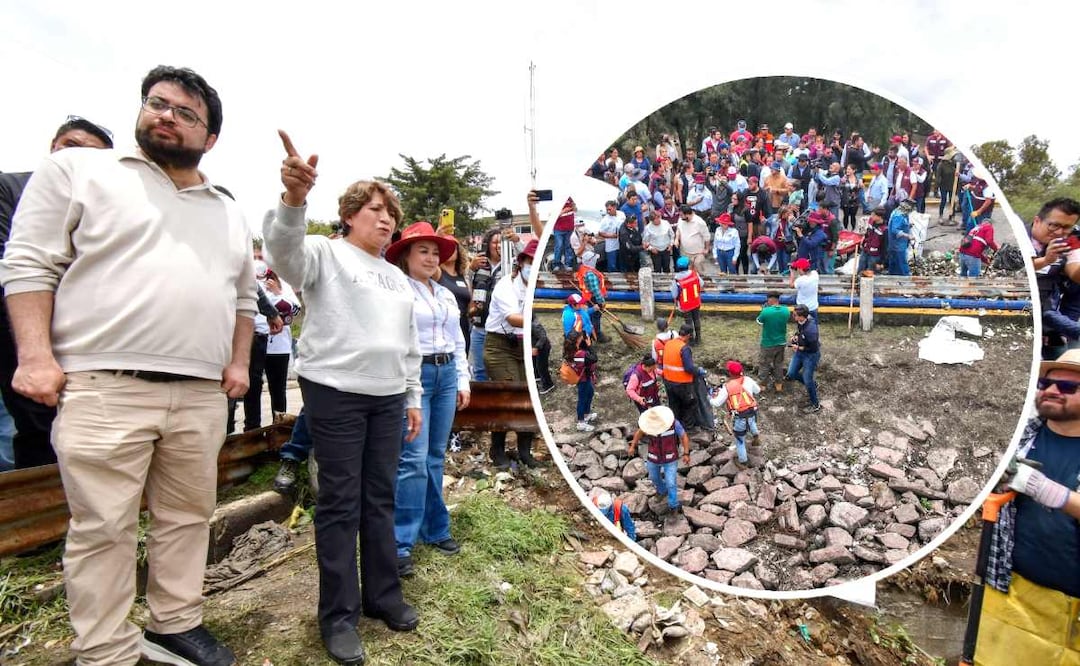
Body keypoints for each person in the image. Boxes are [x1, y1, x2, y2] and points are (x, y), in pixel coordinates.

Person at [0, 66, 249, 666]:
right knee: (103, 526)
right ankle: (106, 648)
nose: (167, 116)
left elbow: (243, 297)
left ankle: (175, 620)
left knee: (187, 516)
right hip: (106, 383)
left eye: (186, 113)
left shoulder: (225, 207)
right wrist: (35, 355)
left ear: (210, 137)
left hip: (199, 391)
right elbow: (29, 262)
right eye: (157, 104)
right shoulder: (82, 170)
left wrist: (239, 361)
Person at [267, 133, 426, 664]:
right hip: (335, 391)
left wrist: (412, 395)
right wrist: (293, 200)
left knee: (379, 496)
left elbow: (409, 342)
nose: (385, 219)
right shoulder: (325, 253)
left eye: (390, 213)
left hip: (387, 395)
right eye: (374, 210)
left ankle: (383, 595)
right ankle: (338, 615)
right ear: (350, 215)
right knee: (340, 502)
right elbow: (283, 254)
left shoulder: (396, 278)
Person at [0, 116, 115, 471]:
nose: (77, 158)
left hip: (81, 338)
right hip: (20, 334)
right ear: (54, 146)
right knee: (31, 425)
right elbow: (13, 264)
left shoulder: (104, 209)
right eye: (71, 147)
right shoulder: (12, 188)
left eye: (92, 155)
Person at [975, 350, 1080, 665]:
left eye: (1067, 387)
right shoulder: (1022, 435)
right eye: (1046, 383)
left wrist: (1043, 488)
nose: (1052, 391)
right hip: (1010, 594)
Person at [381, 222, 471, 581]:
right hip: (415, 373)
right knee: (413, 459)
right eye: (423, 251)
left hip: (445, 372)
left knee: (434, 456)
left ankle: (435, 528)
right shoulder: (397, 291)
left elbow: (458, 340)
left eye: (435, 252)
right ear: (406, 255)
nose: (431, 258)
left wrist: (462, 378)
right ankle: (400, 542)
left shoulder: (445, 295)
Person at [484, 237, 541, 468]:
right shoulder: (505, 286)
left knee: (528, 398)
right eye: (530, 262)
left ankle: (525, 451)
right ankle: (497, 450)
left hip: (522, 345)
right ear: (521, 263)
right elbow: (512, 318)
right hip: (499, 346)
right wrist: (535, 322)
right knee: (508, 398)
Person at [467, 226, 521, 380]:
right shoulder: (479, 264)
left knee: (502, 374)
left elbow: (526, 258)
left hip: (501, 330)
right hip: (479, 327)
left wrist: (516, 241)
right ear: (487, 245)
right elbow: (465, 285)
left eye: (501, 242)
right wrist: (470, 269)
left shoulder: (510, 265)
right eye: (494, 242)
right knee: (480, 372)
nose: (498, 246)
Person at [627, 405, 691, 513]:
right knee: (654, 477)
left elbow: (684, 436)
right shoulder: (648, 425)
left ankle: (673, 505)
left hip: (670, 458)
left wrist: (686, 453)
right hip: (653, 457)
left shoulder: (674, 424)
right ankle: (662, 491)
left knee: (671, 482)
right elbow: (639, 433)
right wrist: (633, 446)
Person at [262, 266, 301, 422]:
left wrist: (278, 293)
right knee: (252, 389)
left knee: (278, 389)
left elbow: (295, 310)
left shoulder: (284, 285)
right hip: (256, 341)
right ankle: (252, 428)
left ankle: (278, 426)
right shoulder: (253, 283)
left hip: (279, 346)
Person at [709, 361, 761, 466]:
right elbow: (758, 390)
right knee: (752, 422)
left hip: (740, 416)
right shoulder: (748, 379)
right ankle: (755, 435)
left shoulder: (727, 387)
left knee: (740, 440)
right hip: (752, 411)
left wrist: (709, 398)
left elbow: (717, 403)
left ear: (730, 373)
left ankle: (743, 461)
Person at [661, 324, 707, 429]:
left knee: (674, 405)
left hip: (668, 381)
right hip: (682, 383)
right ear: (689, 335)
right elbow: (689, 368)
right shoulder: (684, 348)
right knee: (689, 404)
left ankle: (674, 427)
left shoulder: (668, 344)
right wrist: (699, 371)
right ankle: (687, 429)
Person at [786, 305, 821, 414]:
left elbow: (813, 348)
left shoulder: (811, 331)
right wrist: (796, 337)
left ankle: (815, 404)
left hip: (810, 355)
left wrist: (798, 347)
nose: (793, 316)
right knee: (791, 373)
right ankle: (813, 385)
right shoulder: (801, 322)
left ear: (802, 316)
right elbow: (800, 331)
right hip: (800, 352)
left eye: (795, 315)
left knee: (807, 379)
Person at [564, 330, 598, 432]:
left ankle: (586, 415)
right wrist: (589, 345)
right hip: (582, 379)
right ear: (577, 340)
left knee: (590, 393)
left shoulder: (571, 350)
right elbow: (594, 358)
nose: (582, 338)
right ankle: (581, 422)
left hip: (584, 377)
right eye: (580, 337)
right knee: (582, 399)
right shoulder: (580, 354)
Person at [757, 292, 790, 393]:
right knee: (778, 364)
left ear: (770, 299)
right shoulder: (786, 310)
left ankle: (762, 385)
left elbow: (759, 321)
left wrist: (764, 310)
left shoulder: (766, 311)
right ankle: (778, 384)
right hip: (781, 342)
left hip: (767, 343)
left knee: (764, 364)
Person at [671, 256, 704, 345]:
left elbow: (674, 294)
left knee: (688, 322)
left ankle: (691, 340)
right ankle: (698, 338)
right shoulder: (694, 274)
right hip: (696, 302)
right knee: (696, 319)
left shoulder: (676, 279)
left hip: (685, 305)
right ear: (688, 265)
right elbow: (701, 283)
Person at [675, 204, 711, 274]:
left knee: (699, 272)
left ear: (687, 215)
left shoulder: (700, 222)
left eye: (681, 215)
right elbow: (678, 229)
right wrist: (676, 239)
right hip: (685, 252)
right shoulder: (681, 219)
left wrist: (706, 249)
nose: (680, 216)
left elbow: (707, 237)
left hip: (698, 253)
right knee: (687, 273)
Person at [888, 199, 916, 276]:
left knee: (894, 262)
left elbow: (901, 224)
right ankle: (905, 277)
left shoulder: (902, 213)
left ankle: (893, 275)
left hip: (899, 243)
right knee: (901, 262)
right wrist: (908, 236)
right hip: (897, 244)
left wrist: (907, 225)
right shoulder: (898, 216)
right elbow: (895, 230)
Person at [549, 196, 577, 271]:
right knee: (559, 245)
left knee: (568, 247)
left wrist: (574, 206)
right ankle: (556, 264)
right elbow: (552, 216)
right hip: (559, 228)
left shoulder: (570, 199)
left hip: (569, 228)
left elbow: (575, 210)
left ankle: (568, 264)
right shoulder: (556, 200)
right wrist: (564, 211)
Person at [858, 208, 889, 274]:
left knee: (870, 274)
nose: (871, 216)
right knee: (860, 270)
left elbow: (885, 247)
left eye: (873, 215)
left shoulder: (884, 230)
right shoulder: (871, 221)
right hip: (865, 250)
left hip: (874, 256)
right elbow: (867, 233)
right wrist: (863, 242)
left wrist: (882, 263)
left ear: (879, 217)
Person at [598, 200, 625, 272]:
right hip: (611, 245)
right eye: (607, 210)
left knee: (622, 264)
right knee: (612, 265)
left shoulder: (621, 214)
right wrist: (611, 235)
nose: (608, 211)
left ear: (615, 207)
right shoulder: (605, 220)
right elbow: (600, 233)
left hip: (621, 243)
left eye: (610, 209)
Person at [532, 317, 555, 394]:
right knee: (535, 363)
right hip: (535, 346)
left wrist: (536, 347)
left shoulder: (534, 324)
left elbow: (543, 337)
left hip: (543, 348)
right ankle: (538, 376)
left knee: (542, 367)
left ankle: (548, 385)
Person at [840, 164, 863, 231]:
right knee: (846, 215)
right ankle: (845, 229)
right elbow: (840, 188)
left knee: (853, 216)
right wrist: (842, 182)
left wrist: (861, 185)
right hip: (846, 200)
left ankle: (853, 229)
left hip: (855, 201)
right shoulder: (844, 178)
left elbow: (861, 188)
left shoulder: (858, 179)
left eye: (849, 169)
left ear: (854, 170)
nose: (847, 170)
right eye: (847, 169)